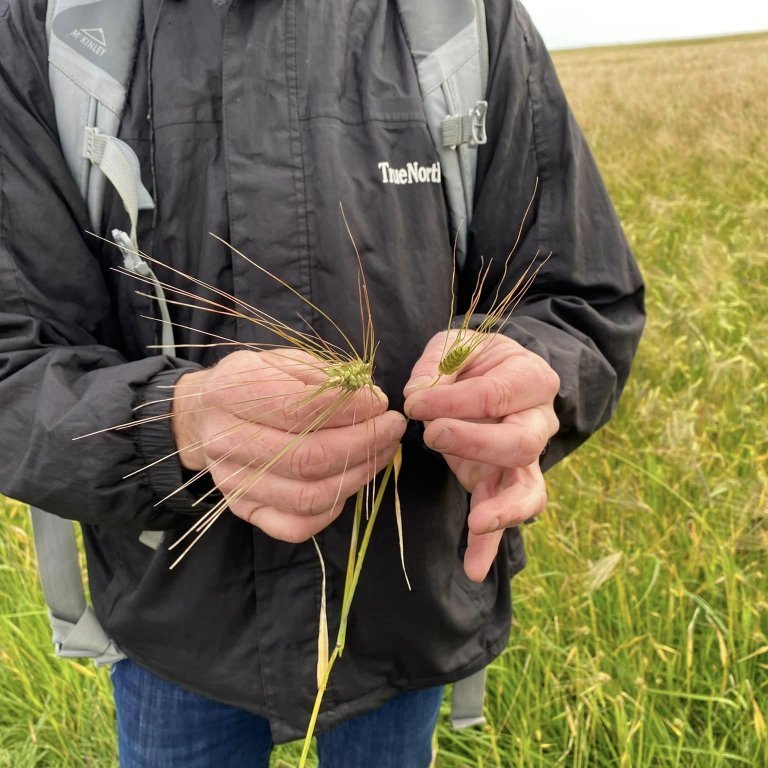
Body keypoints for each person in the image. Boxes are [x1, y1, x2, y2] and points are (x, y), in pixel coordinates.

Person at [0, 0, 644, 766]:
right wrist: (178, 422)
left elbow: (579, 296)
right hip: (173, 611)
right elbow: (16, 357)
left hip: (404, 603)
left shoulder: (463, 17)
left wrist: (525, 379)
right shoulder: (52, 26)